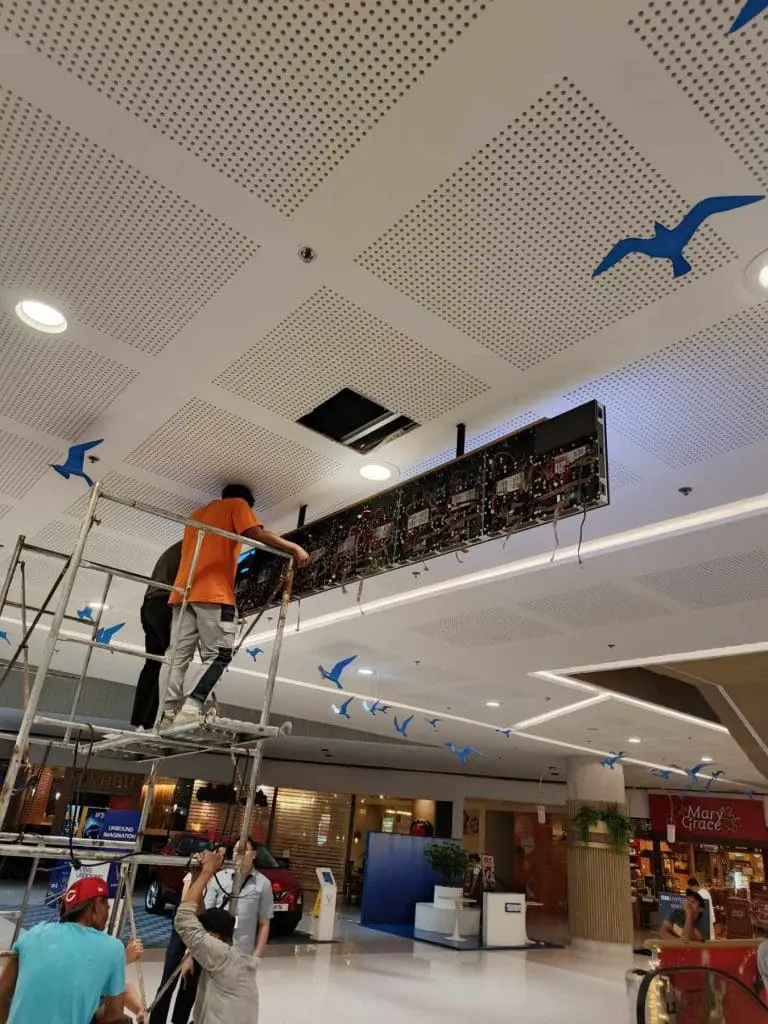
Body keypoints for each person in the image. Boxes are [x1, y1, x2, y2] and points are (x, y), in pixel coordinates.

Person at [159, 484, 310, 729]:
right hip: (213, 592)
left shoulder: (196, 515)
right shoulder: (237, 505)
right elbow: (255, 533)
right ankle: (190, 709)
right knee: (219, 655)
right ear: (248, 504)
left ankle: (166, 714)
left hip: (182, 593)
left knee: (175, 657)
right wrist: (294, 547)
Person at [0, 876, 126, 1024]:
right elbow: (115, 1014)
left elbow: (2, 992)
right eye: (107, 906)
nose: (108, 914)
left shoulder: (34, 933)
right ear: (97, 903)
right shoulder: (113, 947)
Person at [174, 849, 260, 1024]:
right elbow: (199, 918)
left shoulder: (219, 954)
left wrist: (207, 872)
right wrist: (198, 877)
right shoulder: (230, 956)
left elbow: (183, 919)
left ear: (214, 935)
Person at [131, 539, 183, 729]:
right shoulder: (196, 544)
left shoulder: (174, 548)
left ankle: (142, 719)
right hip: (165, 602)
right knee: (171, 660)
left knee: (153, 663)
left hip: (149, 605)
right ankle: (158, 717)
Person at [204, 837, 274, 958]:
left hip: (243, 953)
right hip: (215, 951)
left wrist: (256, 956)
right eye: (237, 850)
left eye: (244, 850)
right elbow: (205, 915)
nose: (239, 854)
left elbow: (264, 923)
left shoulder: (263, 883)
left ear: (254, 854)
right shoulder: (219, 878)